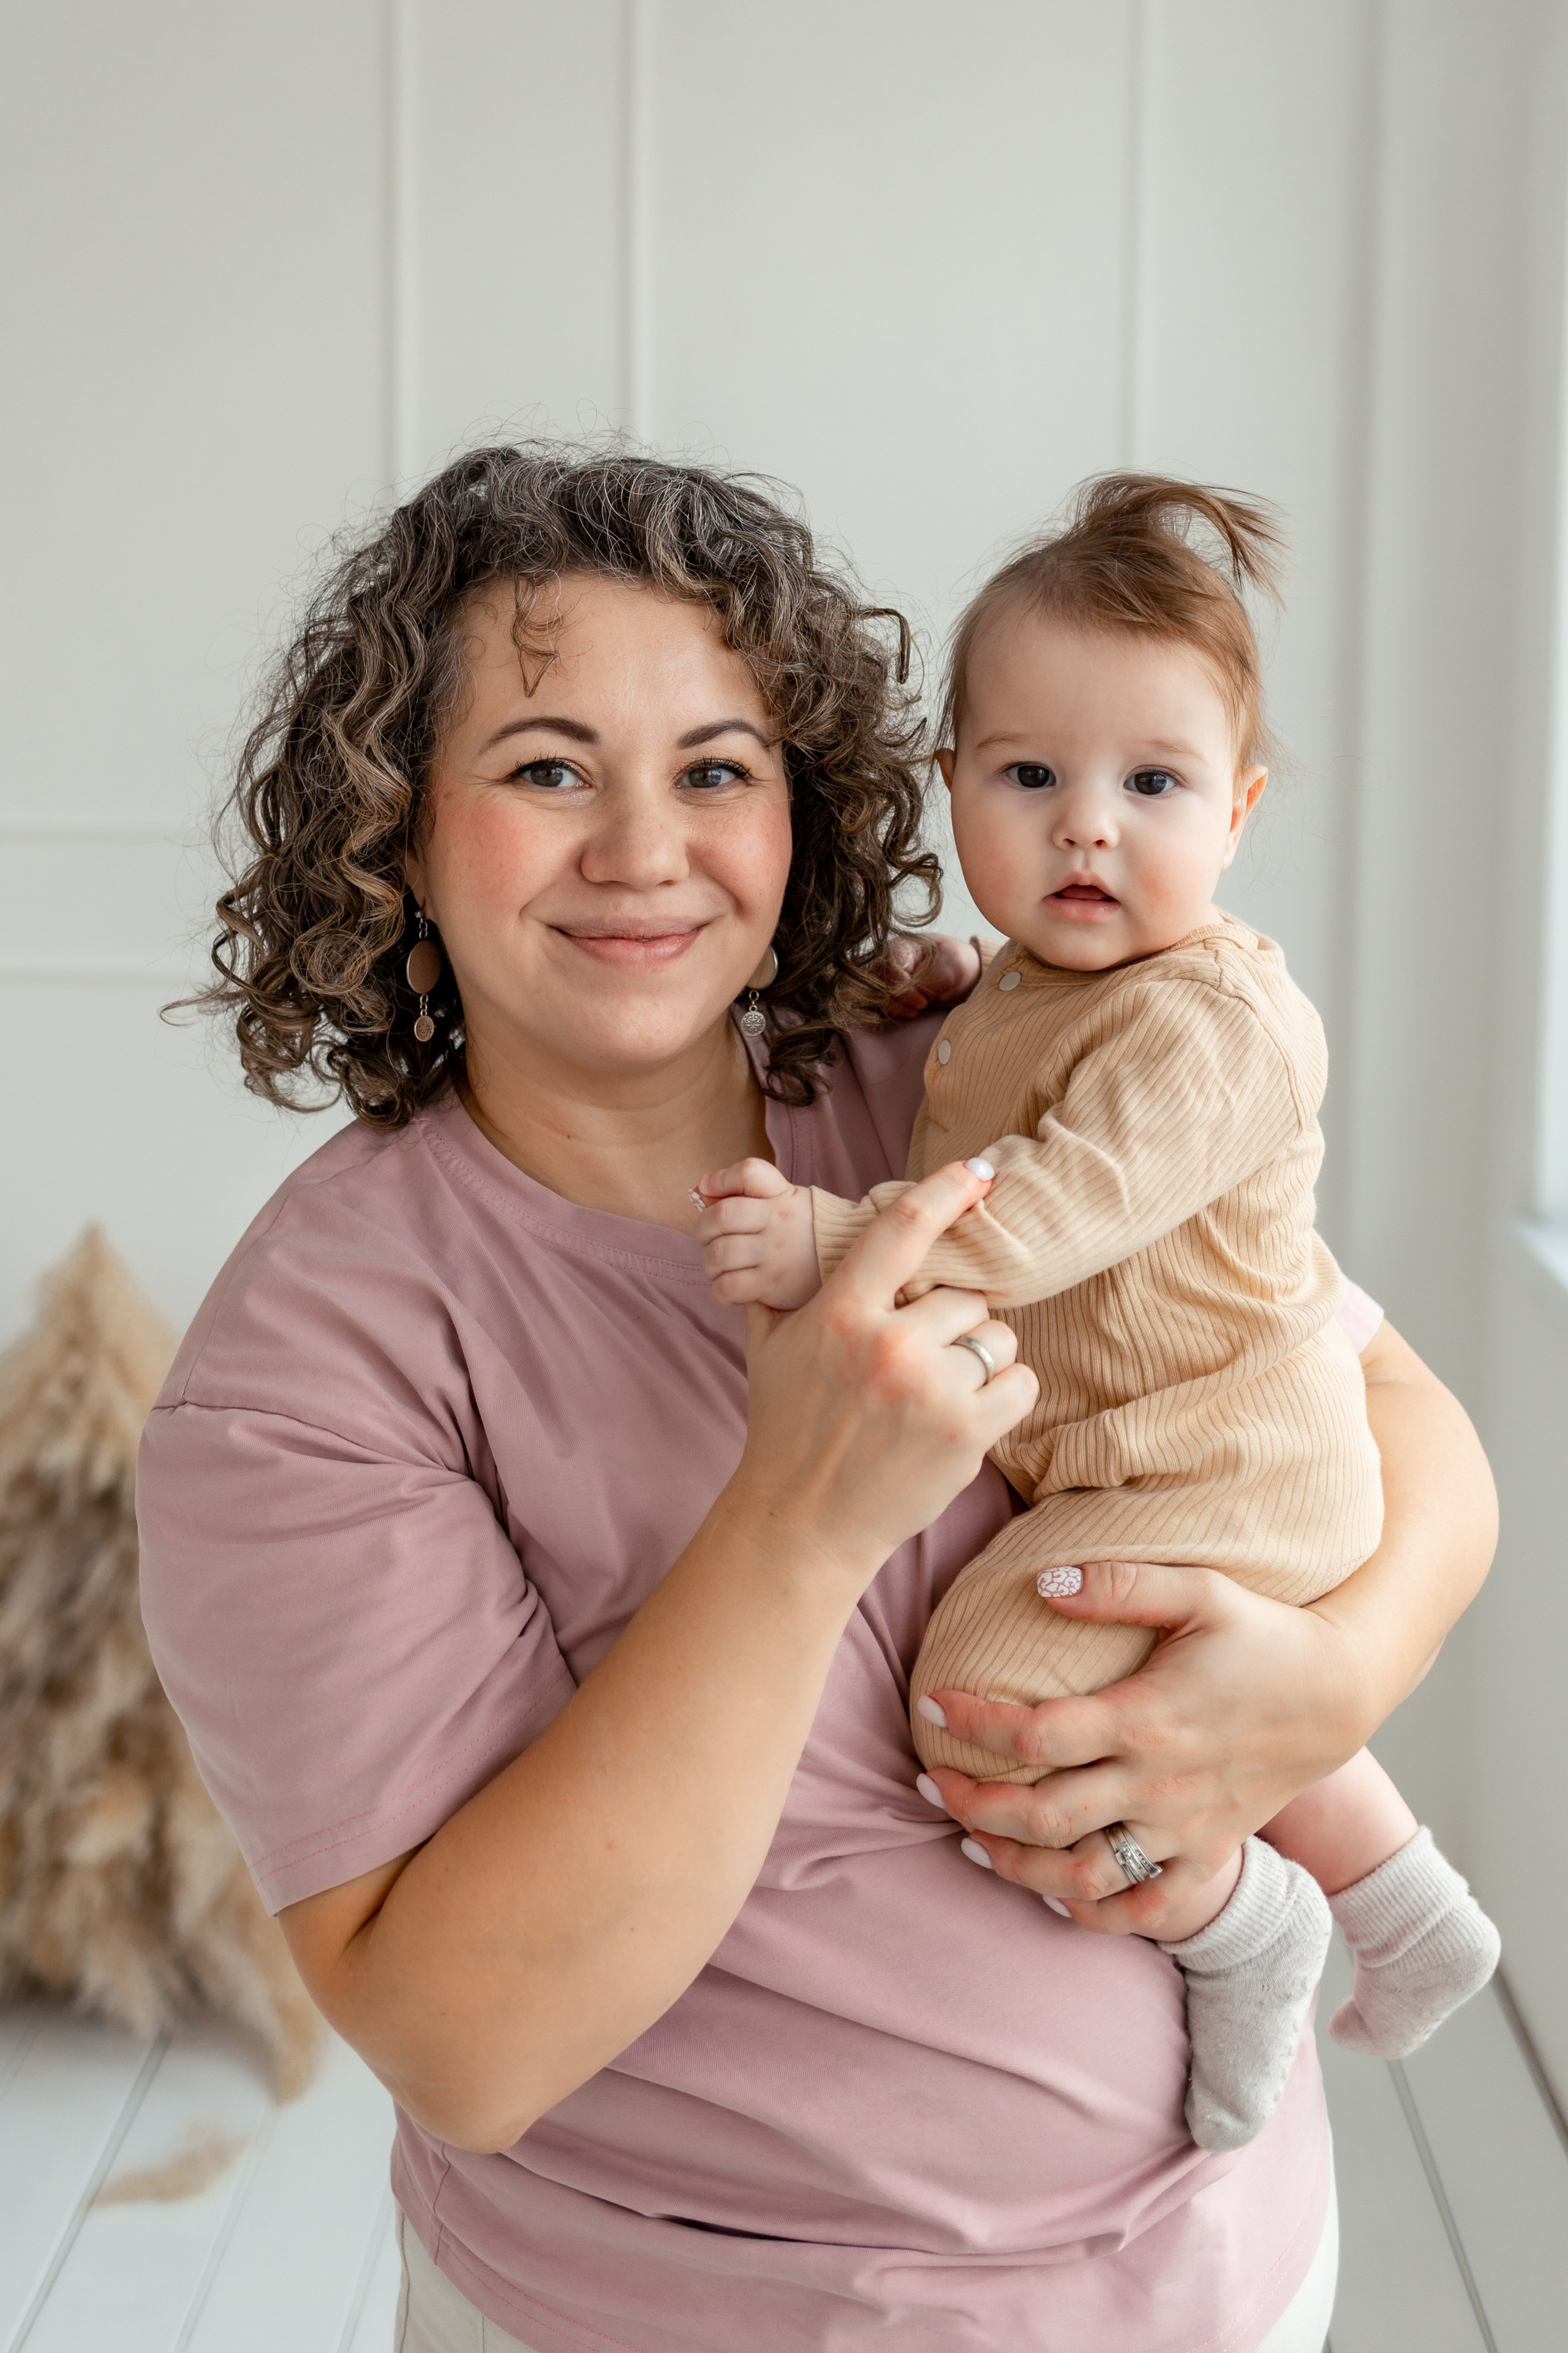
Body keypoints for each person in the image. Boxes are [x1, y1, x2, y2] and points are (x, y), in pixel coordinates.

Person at [137, 447, 1497, 2353]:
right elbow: (466, 2042)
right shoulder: (307, 1372)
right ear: (398, 827)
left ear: (807, 809)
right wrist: (802, 1511)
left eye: (715, 768)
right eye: (546, 767)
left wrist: (1330, 1681)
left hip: (1222, 2270)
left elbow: (1398, 1412)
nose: (642, 848)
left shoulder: (958, 1079)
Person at [692, 474, 1501, 2159]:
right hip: (1142, 1460)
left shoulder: (1217, 1023)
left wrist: (843, 1234)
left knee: (990, 1703)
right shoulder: (1036, 980)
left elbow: (1056, 1205)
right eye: (1031, 775)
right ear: (957, 787)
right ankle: (1409, 1902)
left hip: (1232, 1460)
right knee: (1132, 1691)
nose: (1088, 827)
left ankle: (1246, 1923)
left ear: (1240, 807)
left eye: (1153, 783)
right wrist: (921, 993)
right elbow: (1007, 1062)